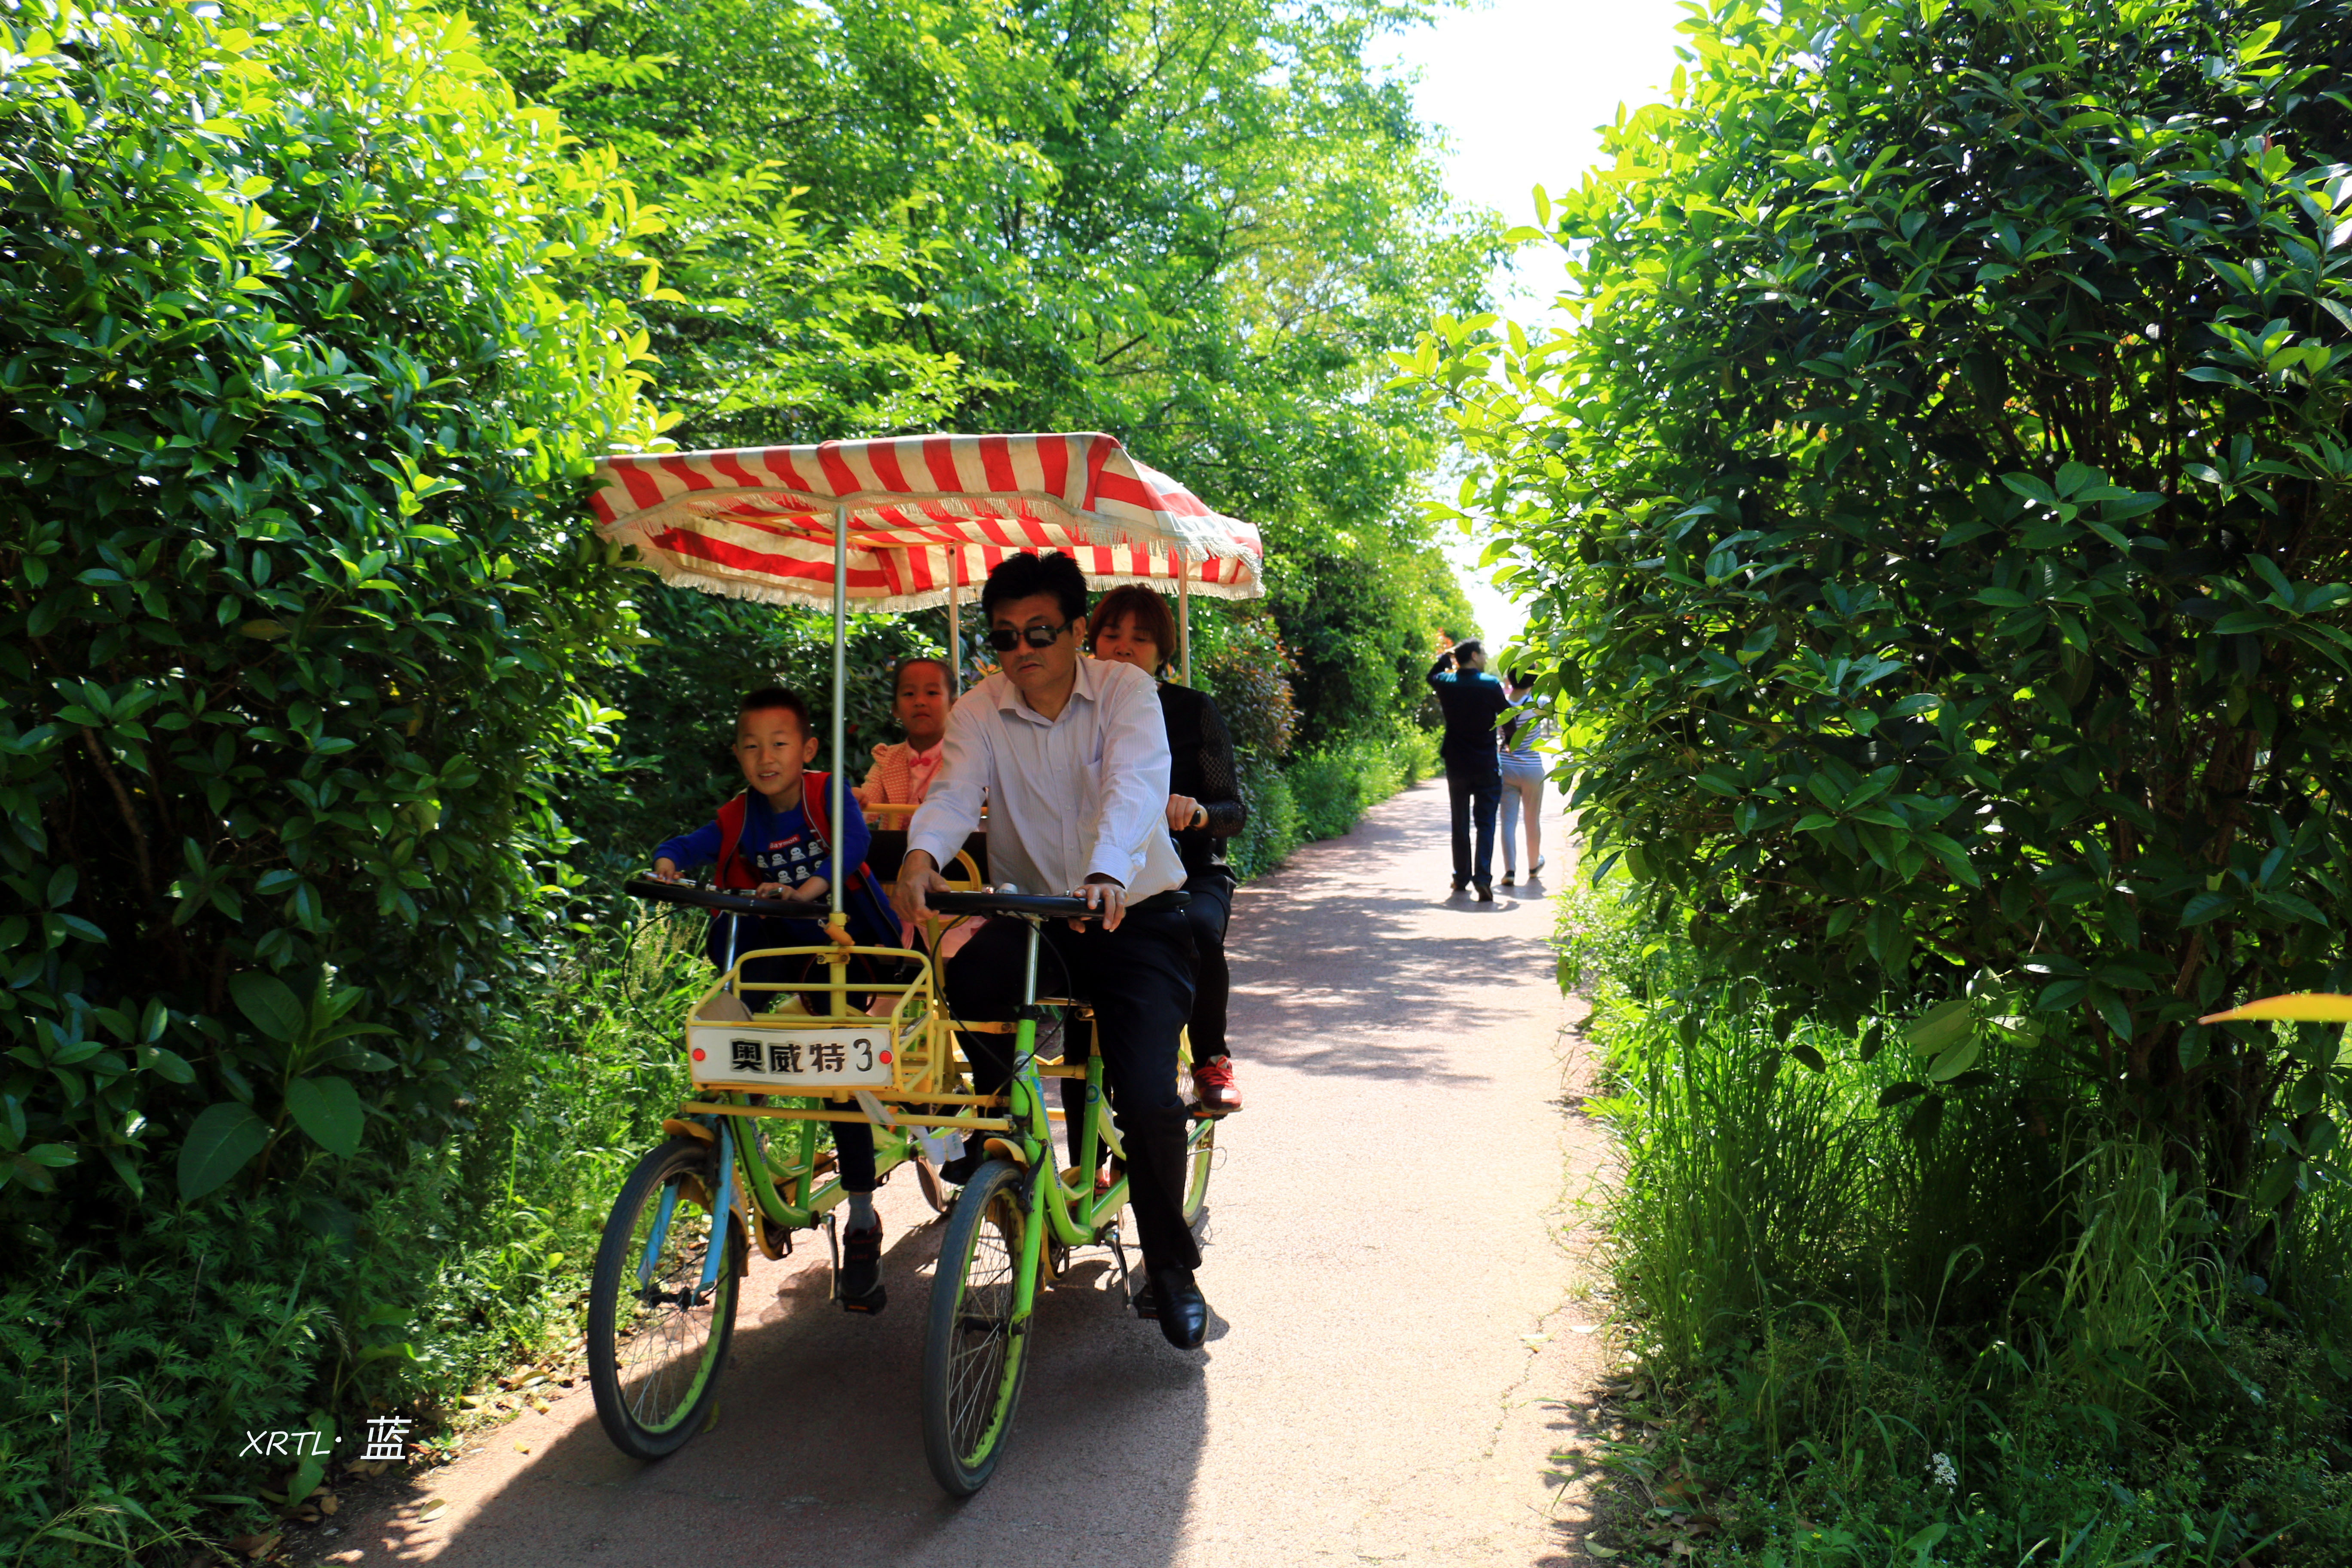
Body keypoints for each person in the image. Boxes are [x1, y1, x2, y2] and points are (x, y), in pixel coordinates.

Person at [893, 551, 1212, 1351]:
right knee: (964, 968)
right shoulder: (977, 711)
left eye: (1041, 630)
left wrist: (1107, 867)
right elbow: (953, 792)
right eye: (1004, 636)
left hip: (1135, 912)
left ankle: (1169, 1265)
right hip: (1036, 917)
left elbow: (1137, 784)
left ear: (1077, 631)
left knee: (1145, 1097)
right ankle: (1007, 1145)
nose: (1022, 648)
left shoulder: (1125, 692)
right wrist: (921, 855)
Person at [650, 685, 900, 1314]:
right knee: (731, 938)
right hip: (794, 947)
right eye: (753, 746)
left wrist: (815, 886)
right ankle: (738, 1087)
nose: (767, 757)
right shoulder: (740, 814)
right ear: (738, 754)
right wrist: (668, 860)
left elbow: (853, 845)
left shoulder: (824, 795)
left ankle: (865, 1216)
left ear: (807, 749)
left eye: (780, 744)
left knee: (840, 1078)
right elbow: (697, 842)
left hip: (858, 949)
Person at [1088, 585, 1246, 1114]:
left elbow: (1234, 811)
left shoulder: (1192, 709)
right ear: (1091, 642)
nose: (1125, 648)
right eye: (1112, 635)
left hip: (1190, 874)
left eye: (1142, 637)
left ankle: (1211, 1060)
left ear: (1164, 651)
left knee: (1197, 928)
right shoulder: (1073, 712)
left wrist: (1198, 813)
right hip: (1097, 871)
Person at [1427, 638, 1510, 901]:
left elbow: (1432, 675)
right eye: (1483, 654)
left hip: (1456, 763)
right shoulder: (1489, 684)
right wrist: (1509, 742)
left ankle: (1461, 877)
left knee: (1460, 822)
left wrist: (1446, 657)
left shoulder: (1446, 682)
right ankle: (1483, 879)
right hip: (1486, 763)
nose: (1485, 658)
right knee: (1485, 823)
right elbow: (1508, 718)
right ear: (1474, 656)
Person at [855, 656, 954, 812]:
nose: (920, 701)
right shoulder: (886, 760)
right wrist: (857, 799)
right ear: (895, 709)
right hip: (897, 837)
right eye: (909, 694)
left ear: (953, 705)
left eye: (932, 692)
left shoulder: (964, 757)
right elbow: (868, 805)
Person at [1497, 670, 1551, 887]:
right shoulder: (1539, 702)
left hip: (1506, 767)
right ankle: (1532, 866)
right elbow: (1553, 706)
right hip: (1532, 770)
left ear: (1509, 679)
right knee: (1532, 819)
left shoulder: (1500, 705)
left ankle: (1510, 871)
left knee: (1508, 822)